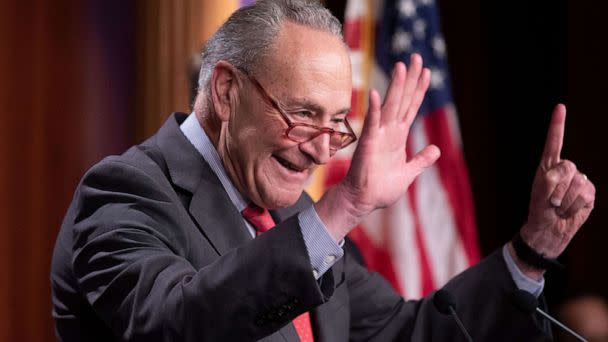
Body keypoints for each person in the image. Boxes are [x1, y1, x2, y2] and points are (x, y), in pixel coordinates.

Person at [50, 0, 596, 341]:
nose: (321, 152)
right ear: (225, 90)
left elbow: (408, 332)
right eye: (304, 114)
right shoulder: (124, 192)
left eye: (338, 123)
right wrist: (343, 210)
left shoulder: (294, 213)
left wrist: (531, 252)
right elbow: (174, 325)